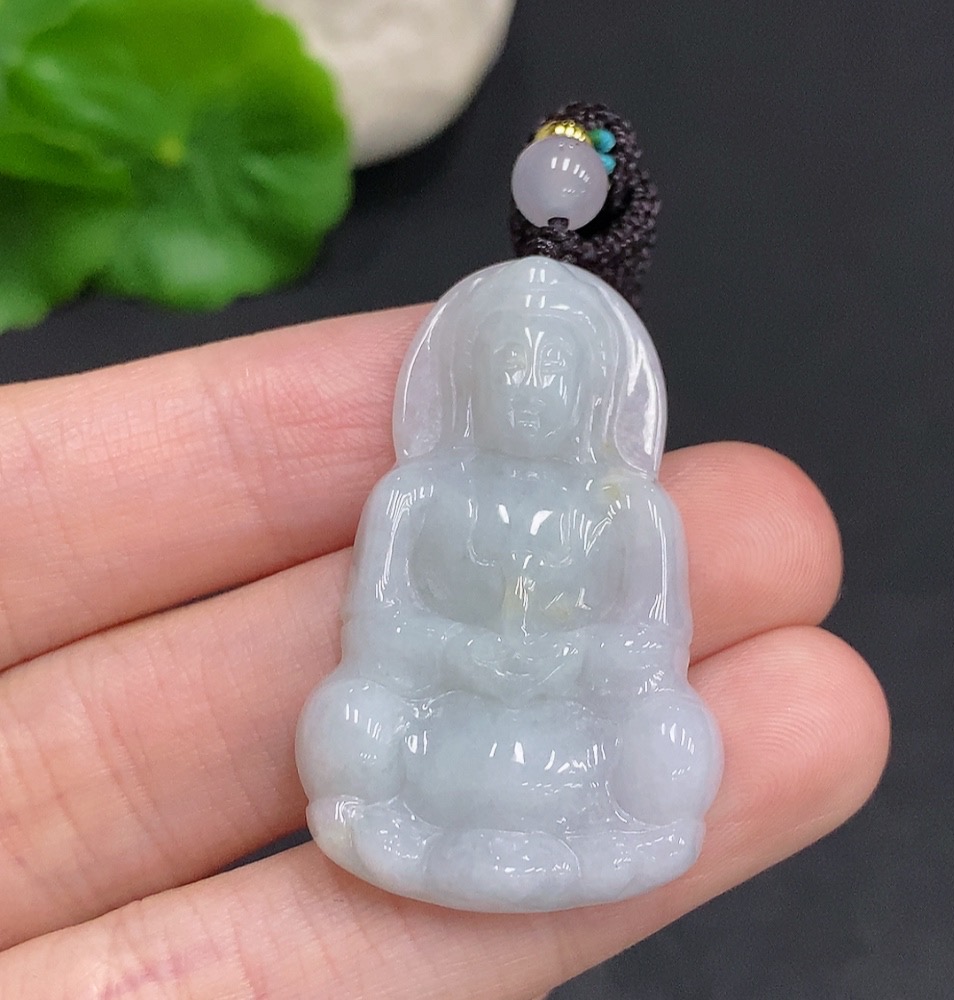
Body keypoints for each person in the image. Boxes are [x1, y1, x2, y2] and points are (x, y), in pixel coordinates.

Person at [0, 301, 889, 997]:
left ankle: (615, 833)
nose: (530, 385)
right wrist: (463, 659)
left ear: (593, 393)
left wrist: (574, 664)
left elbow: (652, 644)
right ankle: (392, 822)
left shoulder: (631, 510)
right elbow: (375, 630)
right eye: (510, 364)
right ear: (468, 383)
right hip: (445, 721)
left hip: (574, 731)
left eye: (553, 367)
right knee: (351, 716)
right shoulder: (416, 497)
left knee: (670, 735)